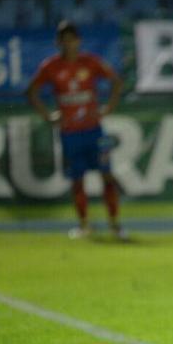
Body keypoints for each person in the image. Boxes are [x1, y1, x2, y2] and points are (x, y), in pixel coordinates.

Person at [26, 21, 125, 240]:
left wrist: (108, 107)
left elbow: (116, 81)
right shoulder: (50, 66)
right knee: (77, 179)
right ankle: (83, 225)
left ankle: (115, 224)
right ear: (58, 42)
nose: (68, 43)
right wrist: (48, 116)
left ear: (78, 41)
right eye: (64, 39)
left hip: (95, 131)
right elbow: (31, 91)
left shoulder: (91, 62)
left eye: (72, 39)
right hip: (70, 134)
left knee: (107, 176)